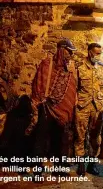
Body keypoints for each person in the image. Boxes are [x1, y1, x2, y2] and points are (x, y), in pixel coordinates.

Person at [28, 39, 77, 181]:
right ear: (61, 49)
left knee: (60, 140)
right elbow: (38, 83)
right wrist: (38, 101)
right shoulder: (46, 65)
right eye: (68, 51)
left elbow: (72, 90)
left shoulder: (70, 69)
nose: (70, 55)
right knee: (41, 141)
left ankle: (58, 169)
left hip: (61, 111)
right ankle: (38, 172)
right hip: (45, 107)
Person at [75, 43, 103, 176]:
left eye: (100, 53)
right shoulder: (80, 68)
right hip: (82, 106)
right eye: (96, 53)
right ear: (89, 52)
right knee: (80, 136)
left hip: (97, 107)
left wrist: (101, 102)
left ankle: (92, 164)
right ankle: (81, 164)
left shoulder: (101, 69)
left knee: (96, 137)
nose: (98, 56)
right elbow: (75, 88)